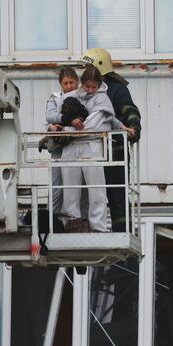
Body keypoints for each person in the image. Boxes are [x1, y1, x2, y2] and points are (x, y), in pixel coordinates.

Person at [62, 66, 135, 233]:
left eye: (93, 87)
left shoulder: (103, 99)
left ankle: (98, 228)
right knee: (71, 191)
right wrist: (55, 126)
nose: (90, 90)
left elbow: (94, 124)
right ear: (82, 83)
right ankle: (73, 225)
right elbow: (56, 114)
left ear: (99, 84)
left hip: (92, 146)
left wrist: (64, 132)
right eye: (87, 86)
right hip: (71, 148)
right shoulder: (73, 96)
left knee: (97, 192)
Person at [79, 48, 142, 230]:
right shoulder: (85, 89)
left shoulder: (116, 89)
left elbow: (129, 111)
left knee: (117, 196)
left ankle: (121, 231)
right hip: (90, 151)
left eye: (89, 65)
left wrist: (134, 129)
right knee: (88, 194)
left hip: (114, 152)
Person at [43, 66, 81, 230]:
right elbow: (50, 116)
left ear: (77, 82)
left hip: (79, 147)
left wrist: (63, 121)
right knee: (56, 188)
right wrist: (67, 120)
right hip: (59, 149)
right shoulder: (54, 98)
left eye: (72, 82)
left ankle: (78, 223)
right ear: (60, 84)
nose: (69, 86)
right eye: (65, 83)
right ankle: (50, 225)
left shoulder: (83, 96)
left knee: (80, 191)